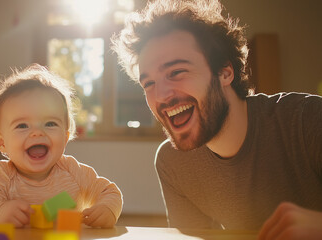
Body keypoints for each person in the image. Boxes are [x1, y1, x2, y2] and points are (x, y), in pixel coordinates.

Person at [111, 0, 322, 238]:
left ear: (225, 72)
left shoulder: (308, 121)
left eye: (177, 72)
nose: (160, 95)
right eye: (149, 83)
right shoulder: (173, 162)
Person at [0, 64, 123, 228]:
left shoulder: (74, 172)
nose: (37, 132)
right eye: (22, 126)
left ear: (65, 137)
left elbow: (110, 192)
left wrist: (107, 209)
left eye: (50, 123)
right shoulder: (0, 176)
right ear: (2, 143)